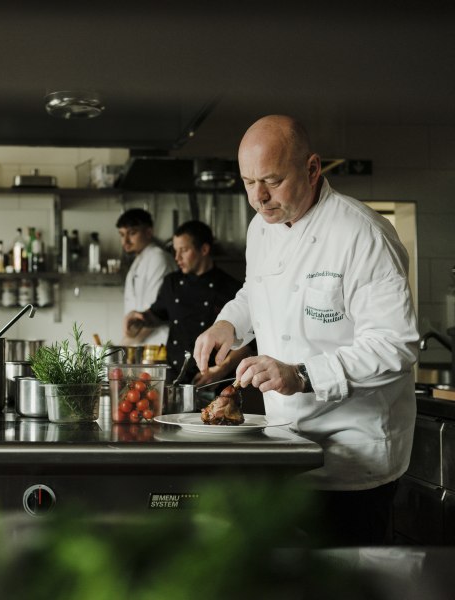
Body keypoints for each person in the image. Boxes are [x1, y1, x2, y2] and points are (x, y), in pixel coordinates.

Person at [193, 115, 419, 546]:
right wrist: (229, 322)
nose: (258, 198)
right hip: (287, 445)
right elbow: (254, 290)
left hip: (353, 456)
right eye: (248, 182)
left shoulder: (363, 235)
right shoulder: (263, 226)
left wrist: (301, 374)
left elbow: (396, 345)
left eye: (272, 181)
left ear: (313, 169)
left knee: (344, 580)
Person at [123, 220, 251, 384]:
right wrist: (138, 318)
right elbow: (157, 314)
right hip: (175, 378)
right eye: (175, 251)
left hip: (212, 382)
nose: (177, 257)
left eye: (183, 250)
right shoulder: (171, 283)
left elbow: (248, 343)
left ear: (204, 249)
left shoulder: (230, 288)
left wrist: (221, 369)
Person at [116, 208, 174, 346]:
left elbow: (153, 313)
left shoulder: (157, 258)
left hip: (158, 344)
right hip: (141, 344)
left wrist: (124, 347)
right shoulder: (140, 259)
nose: (125, 241)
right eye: (122, 234)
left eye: (132, 233)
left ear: (149, 232)